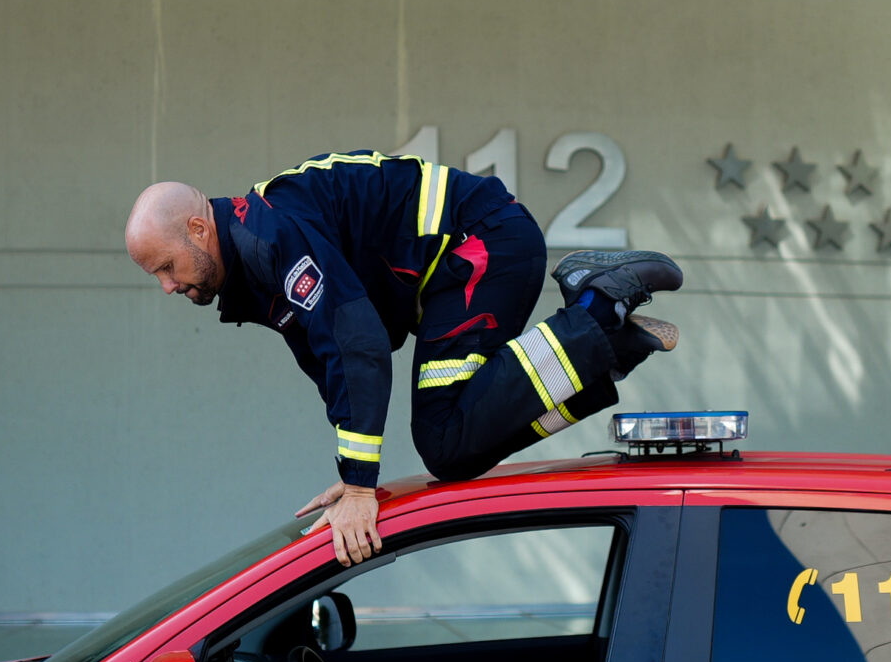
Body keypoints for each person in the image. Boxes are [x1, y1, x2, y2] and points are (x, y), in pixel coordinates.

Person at [125, 152, 683, 565]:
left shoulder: (270, 237)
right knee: (451, 448)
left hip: (480, 244)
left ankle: (597, 300)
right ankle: (607, 342)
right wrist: (352, 476)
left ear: (198, 228)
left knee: (445, 438)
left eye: (166, 267)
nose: (167, 287)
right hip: (460, 263)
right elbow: (331, 364)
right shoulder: (257, 251)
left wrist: (363, 485)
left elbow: (360, 344)